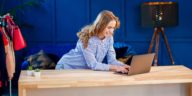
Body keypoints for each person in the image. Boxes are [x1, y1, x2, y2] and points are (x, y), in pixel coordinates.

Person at [55, 10, 130, 73]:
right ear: (100, 25)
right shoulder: (87, 38)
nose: (111, 31)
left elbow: (112, 60)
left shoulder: (109, 38)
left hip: (82, 71)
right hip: (66, 67)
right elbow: (93, 64)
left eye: (113, 28)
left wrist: (124, 66)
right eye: (109, 27)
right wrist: (116, 68)